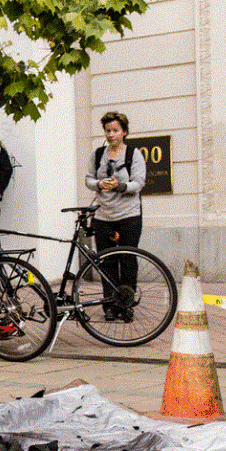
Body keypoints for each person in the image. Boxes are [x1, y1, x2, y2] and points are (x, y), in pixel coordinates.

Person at [84, 111, 146, 321]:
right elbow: (88, 179)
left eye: (115, 130)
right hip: (103, 215)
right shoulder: (98, 154)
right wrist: (99, 184)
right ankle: (110, 305)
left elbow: (139, 183)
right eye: (108, 130)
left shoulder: (133, 154)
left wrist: (120, 186)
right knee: (107, 261)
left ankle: (126, 305)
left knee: (128, 260)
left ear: (124, 132)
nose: (111, 134)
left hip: (129, 214)